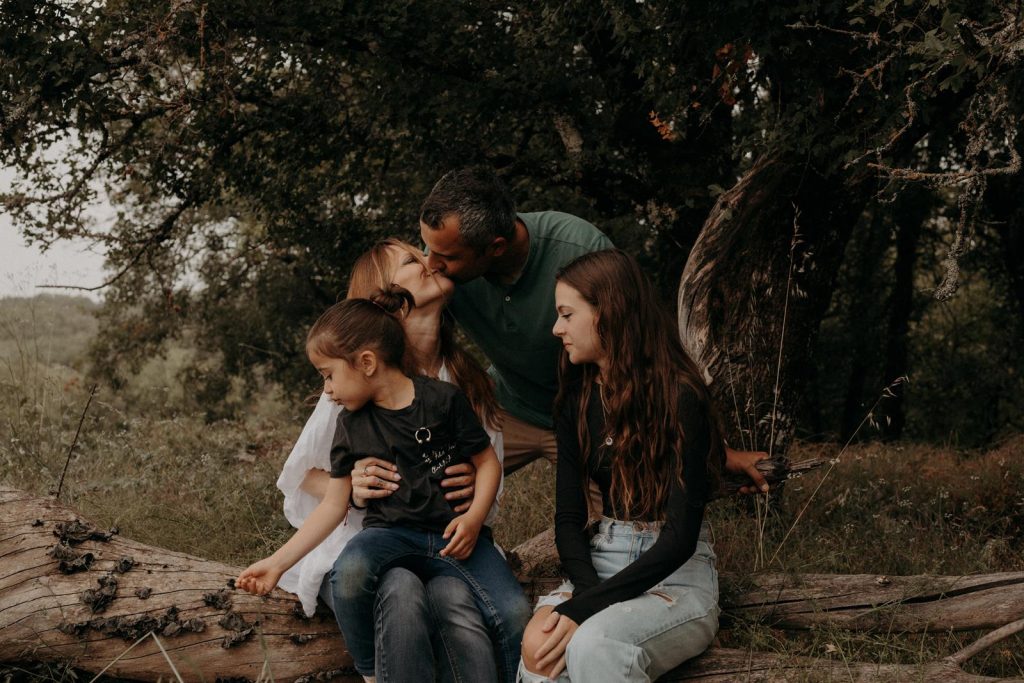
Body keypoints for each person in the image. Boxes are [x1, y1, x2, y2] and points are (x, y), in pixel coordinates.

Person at [359, 167, 769, 507]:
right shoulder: (442, 269)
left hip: (585, 415)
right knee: (435, 483)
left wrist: (719, 451)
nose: (430, 264)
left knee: (619, 519)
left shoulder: (579, 251)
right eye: (427, 250)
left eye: (444, 257)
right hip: (506, 408)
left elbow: (646, 352)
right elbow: (389, 323)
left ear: (495, 248)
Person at [238, 286, 529, 683]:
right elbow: (332, 506)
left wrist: (475, 518)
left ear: (367, 362)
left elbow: (487, 462)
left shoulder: (444, 400)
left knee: (513, 613)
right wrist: (276, 563)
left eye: (329, 376)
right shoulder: (350, 425)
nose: (327, 390)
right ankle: (372, 672)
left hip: (456, 539)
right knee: (353, 570)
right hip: (391, 536)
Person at [519, 249, 723, 681]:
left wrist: (588, 611)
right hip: (602, 560)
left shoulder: (681, 397)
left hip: (676, 575)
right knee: (540, 653)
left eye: (567, 314)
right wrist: (587, 596)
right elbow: (569, 518)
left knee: (597, 645)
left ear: (606, 313)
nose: (557, 328)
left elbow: (680, 537)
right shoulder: (576, 401)